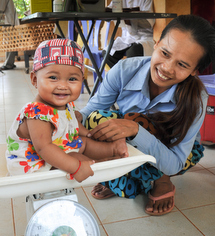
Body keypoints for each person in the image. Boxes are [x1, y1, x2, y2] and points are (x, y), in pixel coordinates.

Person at [75, 15, 215, 214]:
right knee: (95, 121)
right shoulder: (124, 70)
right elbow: (89, 113)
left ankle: (162, 180)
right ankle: (132, 172)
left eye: (182, 65)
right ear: (156, 44)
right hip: (129, 144)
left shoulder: (197, 98)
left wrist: (135, 130)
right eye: (165, 53)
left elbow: (175, 162)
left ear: (194, 71)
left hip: (173, 151)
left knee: (125, 177)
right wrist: (70, 118)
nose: (167, 68)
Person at [5, 39, 128, 182]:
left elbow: (73, 122)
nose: (63, 86)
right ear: (34, 79)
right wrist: (76, 166)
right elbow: (44, 148)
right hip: (33, 163)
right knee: (75, 157)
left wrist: (88, 133)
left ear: (82, 80)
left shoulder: (65, 104)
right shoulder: (37, 113)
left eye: (72, 79)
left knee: (83, 142)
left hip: (56, 148)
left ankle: (113, 149)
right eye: (53, 78)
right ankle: (99, 165)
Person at [103, 0, 155, 68]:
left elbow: (149, 23)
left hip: (145, 36)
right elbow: (108, 12)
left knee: (133, 52)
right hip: (128, 37)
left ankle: (131, 76)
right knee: (107, 53)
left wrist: (130, 19)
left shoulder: (146, 1)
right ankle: (123, 76)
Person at [0, 0, 19, 70]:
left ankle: (8, 64)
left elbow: (1, 9)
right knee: (10, 42)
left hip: (9, 22)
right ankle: (10, 63)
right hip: (9, 21)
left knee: (10, 43)